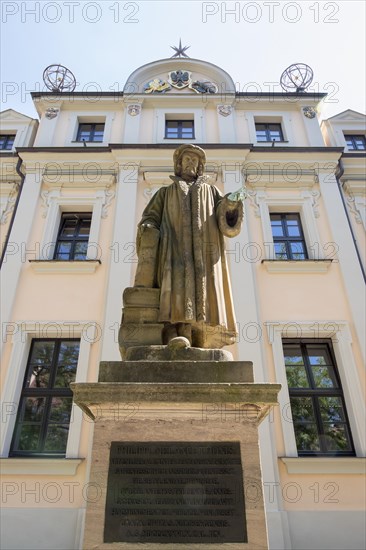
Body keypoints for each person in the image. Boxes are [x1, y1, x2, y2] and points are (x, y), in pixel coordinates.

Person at [134, 144, 243, 349]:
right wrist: (148, 227)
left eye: (195, 160)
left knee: (204, 292)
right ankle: (173, 332)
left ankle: (198, 334)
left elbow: (226, 221)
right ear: (178, 164)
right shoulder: (165, 192)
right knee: (174, 288)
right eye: (187, 159)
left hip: (205, 252)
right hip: (172, 248)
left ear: (200, 166)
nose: (191, 163)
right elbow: (150, 217)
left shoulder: (212, 191)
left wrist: (230, 205)